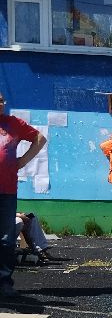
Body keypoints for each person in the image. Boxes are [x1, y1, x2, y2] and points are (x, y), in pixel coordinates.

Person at [0, 91, 47, 299]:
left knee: (6, 239)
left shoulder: (14, 124)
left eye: (1, 100)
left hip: (7, 190)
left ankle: (4, 284)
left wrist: (22, 162)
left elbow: (39, 139)